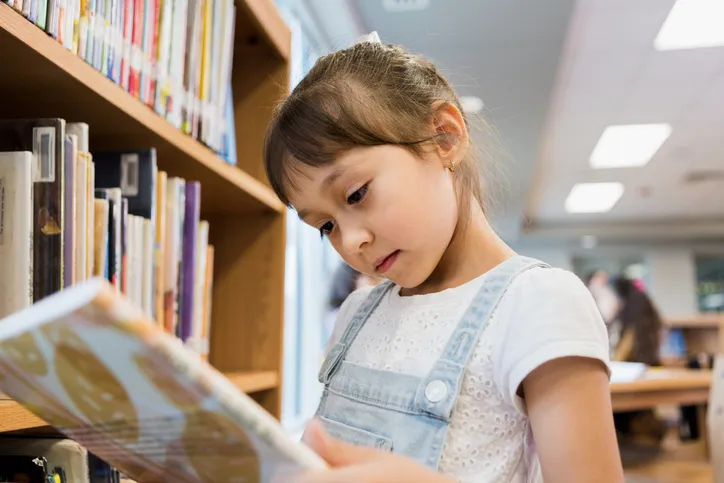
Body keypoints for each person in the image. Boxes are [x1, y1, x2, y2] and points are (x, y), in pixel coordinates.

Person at [264, 34, 623, 483]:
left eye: (356, 194)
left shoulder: (539, 303)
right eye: (325, 226)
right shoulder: (357, 313)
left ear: (444, 136)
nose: (351, 241)